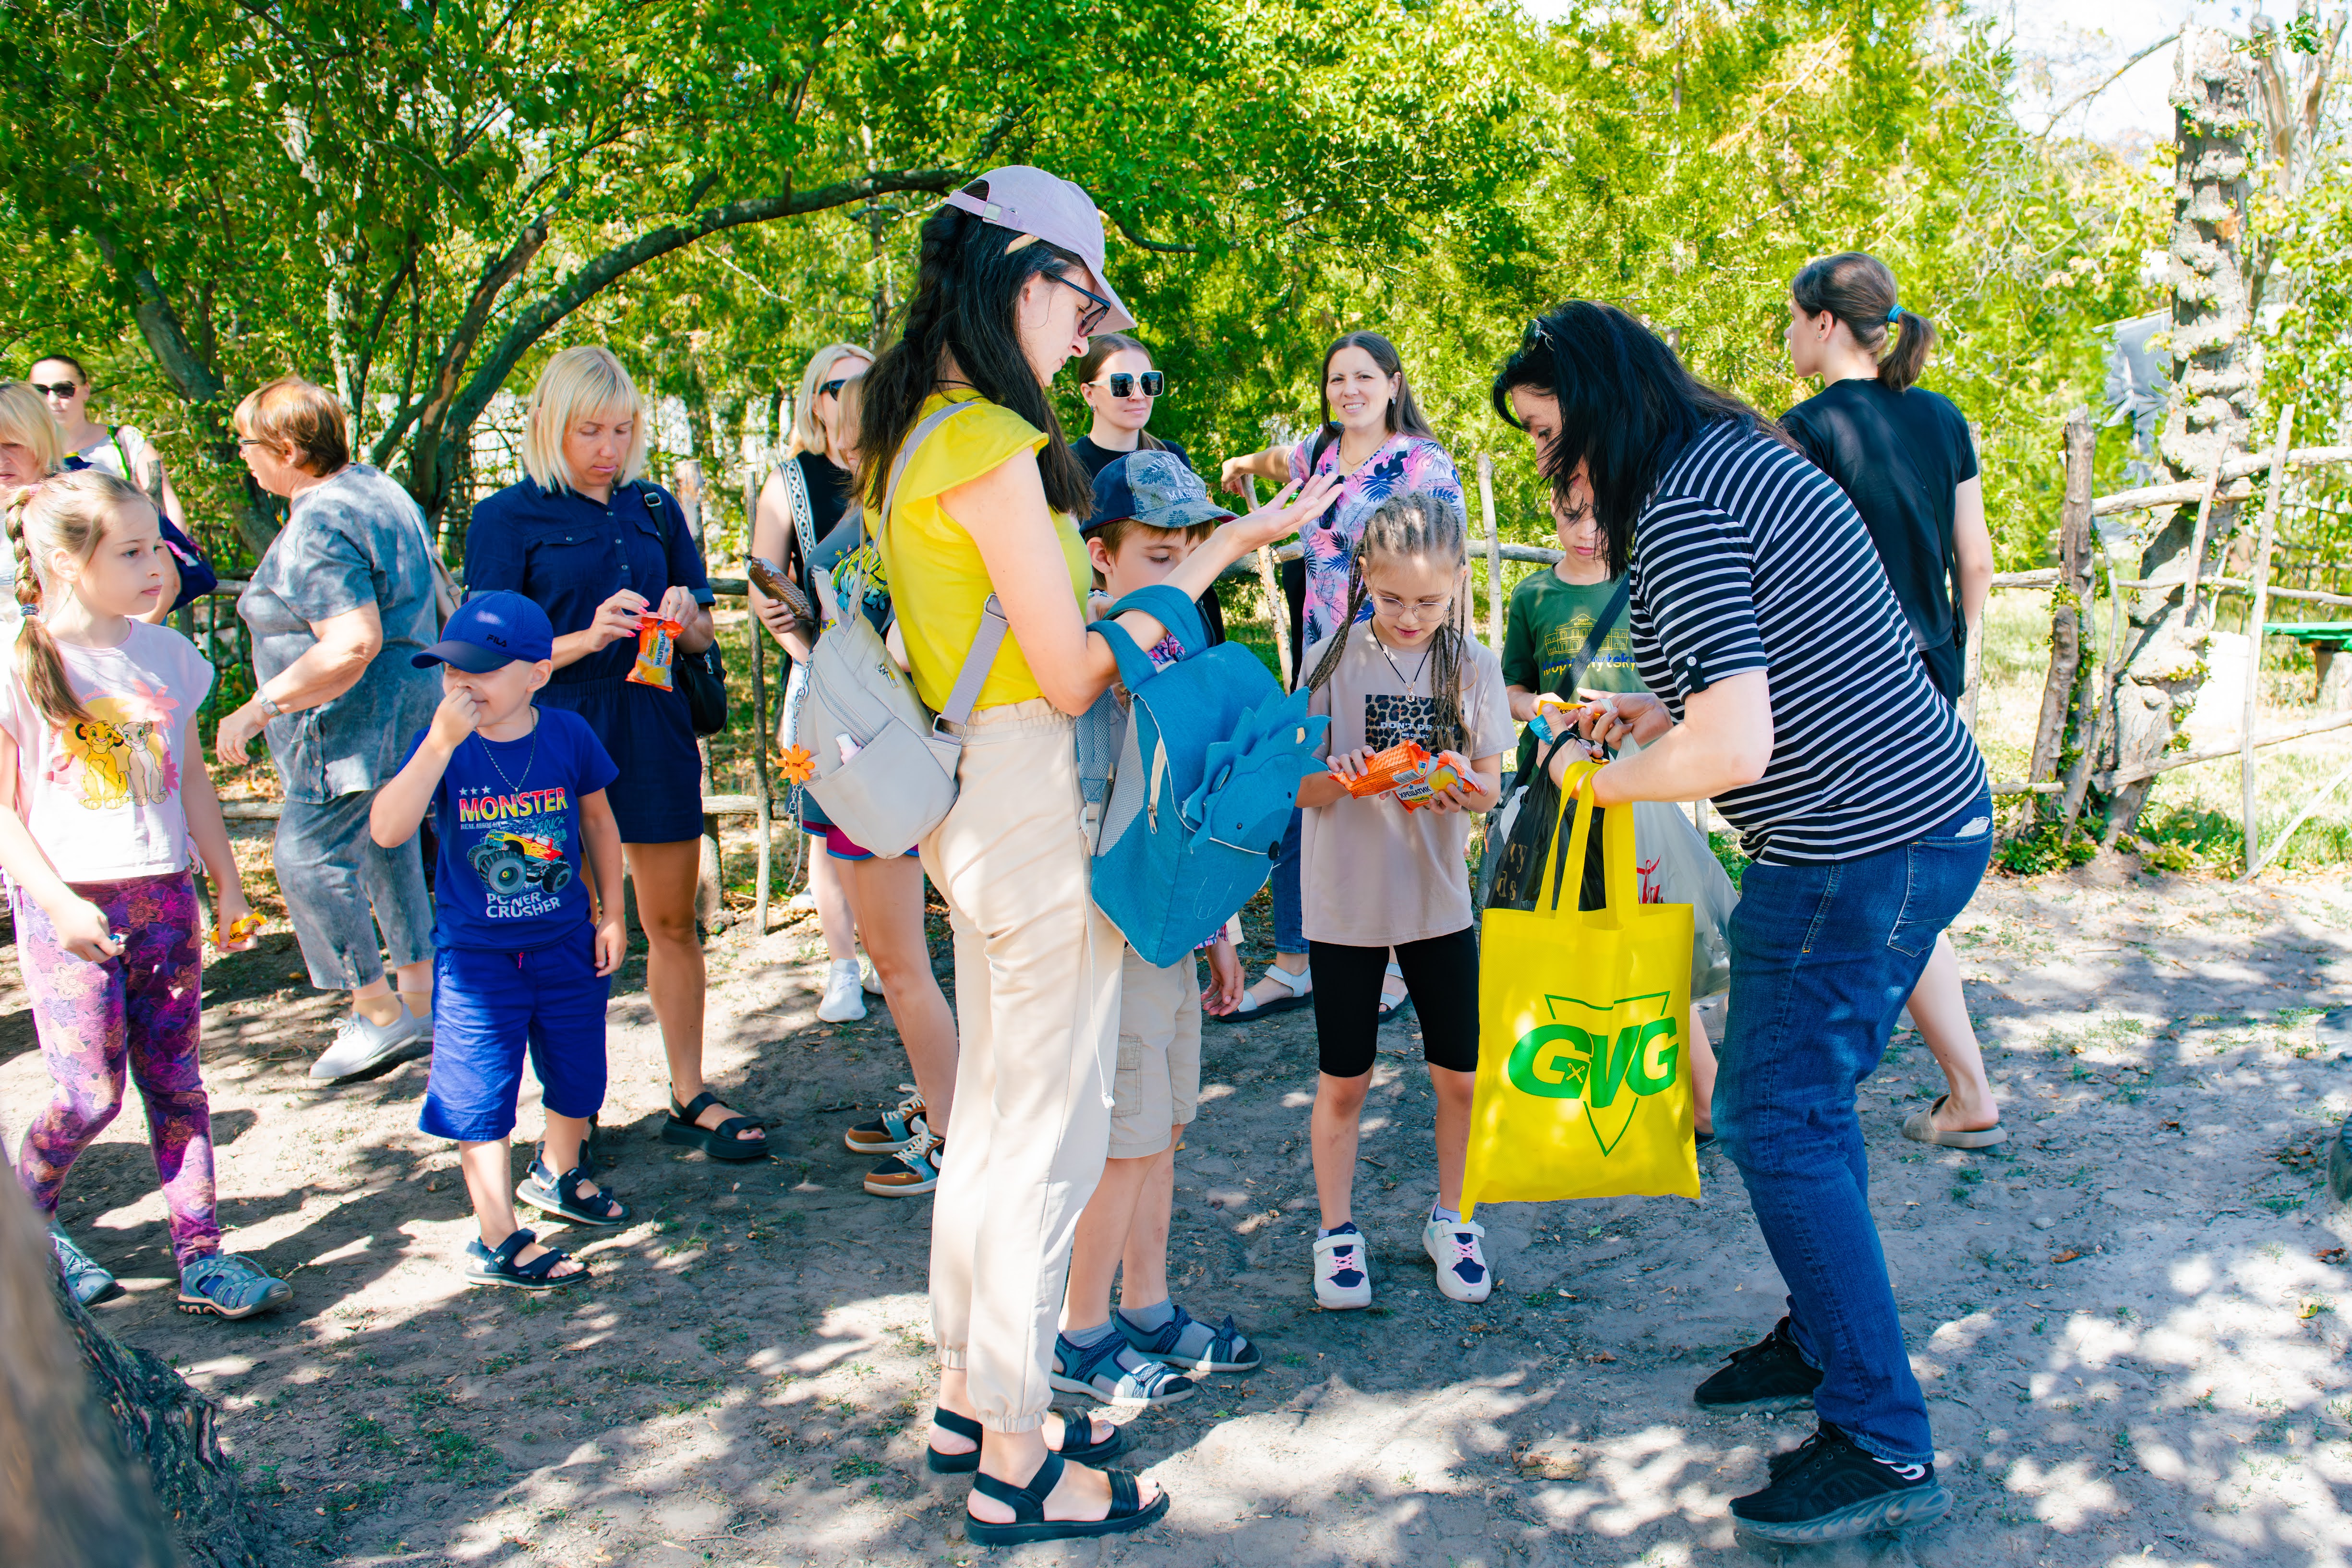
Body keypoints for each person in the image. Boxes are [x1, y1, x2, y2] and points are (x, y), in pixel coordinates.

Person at [861, 165, 1332, 1544]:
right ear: (1017, 275)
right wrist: (1176, 612)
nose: (1089, 329)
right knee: (1038, 1140)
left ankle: (965, 1396)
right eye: (1080, 295)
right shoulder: (989, 442)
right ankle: (1016, 1451)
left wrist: (1231, 545)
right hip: (1027, 798)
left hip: (981, 802)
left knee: (997, 1125)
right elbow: (1071, 671)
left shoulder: (916, 437)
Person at [1494, 302, 1988, 1545]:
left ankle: (1880, 1434)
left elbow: (1740, 741)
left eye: (1551, 434)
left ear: (1601, 405)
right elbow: (1753, 663)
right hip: (1884, 820)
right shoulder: (1725, 458)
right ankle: (1826, 1338)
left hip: (1859, 843)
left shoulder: (1684, 505)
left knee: (1775, 1113)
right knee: (1798, 1108)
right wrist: (1646, 709)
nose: (1552, 466)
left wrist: (1586, 780)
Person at [465, 346, 764, 1164]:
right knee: (570, 933)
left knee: (672, 921)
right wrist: (582, 637)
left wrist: (685, 618)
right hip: (550, 736)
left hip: (654, 722)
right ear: (547, 426)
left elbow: (703, 631)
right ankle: (574, 1111)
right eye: (589, 430)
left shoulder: (656, 507)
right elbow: (482, 663)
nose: (608, 447)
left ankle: (688, 1090)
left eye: (622, 429)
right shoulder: (505, 518)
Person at [0, 470, 287, 1319]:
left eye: (157, 545)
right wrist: (55, 903)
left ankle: (203, 1257)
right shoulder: (22, 663)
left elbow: (192, 779)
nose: (156, 564)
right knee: (91, 1095)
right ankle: (27, 1232)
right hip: (74, 910)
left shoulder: (168, 656)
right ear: (63, 562)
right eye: (130, 551)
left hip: (166, 899)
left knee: (178, 1084)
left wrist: (227, 886)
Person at [1780, 252, 2003, 1152]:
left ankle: (1959, 1087)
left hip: (1850, 689)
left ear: (1825, 324)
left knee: (1875, 886)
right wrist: (1951, 665)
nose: (1787, 333)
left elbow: (1796, 579)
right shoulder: (1942, 418)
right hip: (1930, 674)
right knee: (1902, 885)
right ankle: (1966, 1089)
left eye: (1793, 318)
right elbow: (1974, 559)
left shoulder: (1804, 430)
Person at [1051, 451, 1254, 1409]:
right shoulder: (1086, 655)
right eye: (1159, 557)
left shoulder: (1176, 652)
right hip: (1110, 938)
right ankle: (1078, 1330)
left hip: (1172, 935)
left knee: (1163, 1127)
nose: (1179, 578)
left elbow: (1192, 801)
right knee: (1125, 1135)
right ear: (1101, 555)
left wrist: (1220, 927)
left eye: (1188, 557)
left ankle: (1147, 1305)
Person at [1288, 490, 1508, 1310]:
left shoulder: (1473, 664)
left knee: (1459, 1077)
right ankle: (1336, 1234)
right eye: (1390, 600)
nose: (1409, 616)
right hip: (1344, 904)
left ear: (1455, 584)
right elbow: (1296, 788)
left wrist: (1458, 788)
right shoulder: (1325, 659)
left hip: (1436, 903)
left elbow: (1488, 788)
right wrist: (1340, 776)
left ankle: (1453, 1218)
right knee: (1344, 1081)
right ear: (1361, 582)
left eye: (1428, 601)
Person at [370, 592, 627, 1290]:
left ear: (536, 675)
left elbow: (600, 825)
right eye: (452, 667)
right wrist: (437, 744)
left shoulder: (569, 735)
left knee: (579, 1071)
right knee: (480, 1090)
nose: (461, 682)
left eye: (482, 669)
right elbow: (388, 829)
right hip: (480, 959)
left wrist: (612, 914)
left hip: (567, 942)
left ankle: (559, 1172)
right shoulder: (442, 746)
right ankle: (496, 1235)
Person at [751, 351, 959, 1196]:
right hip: (862, 752)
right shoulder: (868, 519)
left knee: (902, 961)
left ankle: (952, 1132)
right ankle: (939, 1102)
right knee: (899, 955)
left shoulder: (896, 521)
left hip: (886, 759)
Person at [1217, 332, 1464, 1024]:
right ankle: (1294, 961)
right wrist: (1241, 463)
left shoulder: (1421, 462)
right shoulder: (1318, 453)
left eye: (1362, 377)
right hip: (1322, 658)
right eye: (1335, 379)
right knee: (1305, 792)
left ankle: (1392, 960)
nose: (1348, 389)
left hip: (1396, 659)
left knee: (1383, 793)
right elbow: (1277, 459)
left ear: (1392, 382)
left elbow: (1446, 566)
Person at [217, 376, 442, 1081]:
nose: (246, 461)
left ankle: (375, 1013)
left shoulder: (318, 521)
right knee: (386, 845)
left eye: (250, 446)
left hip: (345, 727)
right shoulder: (381, 489)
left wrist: (259, 707)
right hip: (409, 708)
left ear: (287, 448)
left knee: (306, 858)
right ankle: (419, 996)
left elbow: (350, 642)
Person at [1499, 484, 1722, 1139]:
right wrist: (1539, 706)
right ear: (1551, 511)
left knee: (1645, 928)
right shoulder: (1532, 597)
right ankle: (1595, 1083)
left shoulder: (1643, 584)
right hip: (1558, 785)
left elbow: (1682, 690)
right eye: (1571, 515)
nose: (1586, 530)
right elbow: (1510, 687)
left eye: (1600, 515)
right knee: (1568, 935)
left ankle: (1701, 1098)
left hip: (1637, 788)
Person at [751, 342, 882, 1024]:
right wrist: (807, 656)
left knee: (893, 819)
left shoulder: (896, 468)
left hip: (895, 679)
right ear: (815, 399)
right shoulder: (790, 481)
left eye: (866, 382)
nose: (851, 395)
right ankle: (841, 967)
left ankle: (890, 955)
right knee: (827, 831)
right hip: (819, 675)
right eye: (839, 385)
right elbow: (764, 584)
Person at [31, 353, 214, 618]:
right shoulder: (27, 453)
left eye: (64, 390)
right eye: (41, 391)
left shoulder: (124, 441)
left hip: (134, 583)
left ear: (85, 390)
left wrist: (159, 567)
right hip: (65, 591)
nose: (53, 400)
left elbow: (167, 509)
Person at [1070, 334, 1223, 644]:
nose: (1138, 395)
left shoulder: (1171, 456)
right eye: (1122, 384)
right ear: (1088, 394)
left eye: (1149, 382)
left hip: (1189, 603)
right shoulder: (1065, 465)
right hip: (1115, 621)